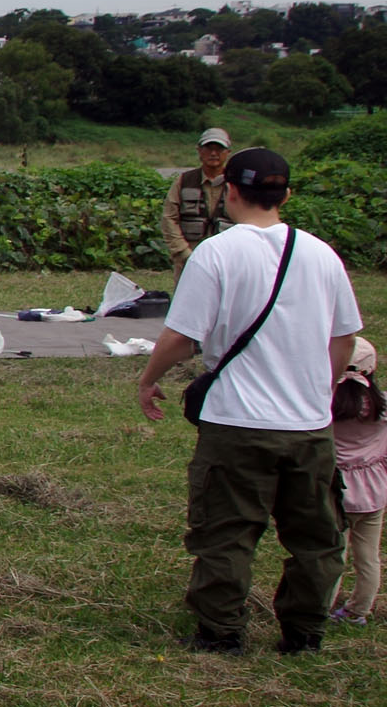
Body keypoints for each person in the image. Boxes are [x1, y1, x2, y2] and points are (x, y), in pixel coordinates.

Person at [135, 148, 362, 656]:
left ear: (229, 191)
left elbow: (181, 337)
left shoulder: (214, 254)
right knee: (318, 538)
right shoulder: (323, 254)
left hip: (235, 423)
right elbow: (343, 339)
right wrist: (317, 391)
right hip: (309, 428)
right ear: (285, 195)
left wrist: (149, 379)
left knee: (226, 533)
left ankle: (221, 635)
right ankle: (305, 634)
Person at [332, 337, 384, 626]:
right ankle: (358, 611)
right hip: (374, 492)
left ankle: (321, 606)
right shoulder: (382, 407)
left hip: (337, 490)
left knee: (333, 555)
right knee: (368, 557)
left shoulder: (326, 407)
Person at [162, 127, 235, 281]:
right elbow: (169, 218)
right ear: (199, 151)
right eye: (208, 148)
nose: (213, 153)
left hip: (228, 259)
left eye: (219, 149)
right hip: (188, 256)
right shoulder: (184, 181)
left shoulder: (237, 184)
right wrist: (183, 252)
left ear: (228, 152)